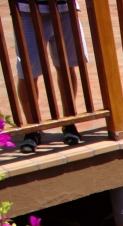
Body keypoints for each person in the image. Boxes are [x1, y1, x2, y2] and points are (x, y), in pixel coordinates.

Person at [14, 0, 89, 153]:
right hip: (28, 11)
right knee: (28, 74)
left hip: (65, 8)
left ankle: (69, 122)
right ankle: (32, 128)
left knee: (66, 68)